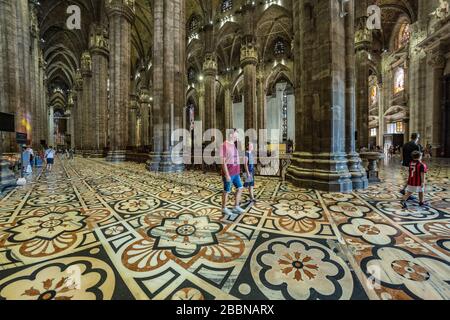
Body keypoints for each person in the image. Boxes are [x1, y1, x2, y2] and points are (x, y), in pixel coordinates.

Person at [221, 129, 245, 216]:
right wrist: (227, 174)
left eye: (237, 136)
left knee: (240, 188)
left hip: (236, 172)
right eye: (235, 135)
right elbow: (223, 162)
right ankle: (224, 208)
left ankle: (236, 206)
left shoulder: (234, 145)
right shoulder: (224, 145)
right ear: (231, 135)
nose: (237, 137)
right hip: (229, 172)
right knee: (227, 191)